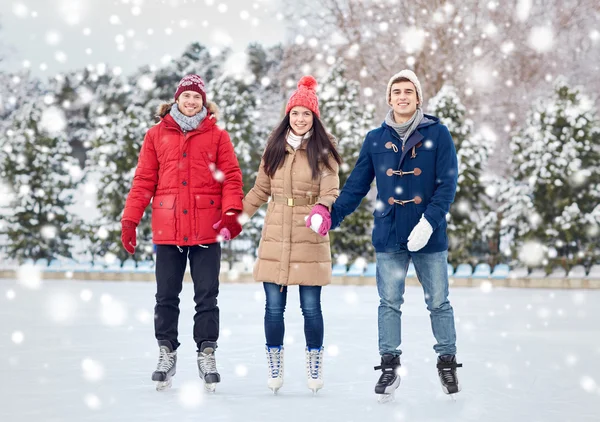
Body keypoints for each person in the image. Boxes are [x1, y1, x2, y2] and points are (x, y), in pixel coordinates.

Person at [322, 69, 462, 400]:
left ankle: (447, 362)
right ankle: (389, 365)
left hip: (430, 235)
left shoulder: (438, 134)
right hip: (389, 233)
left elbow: (447, 183)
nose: (402, 96)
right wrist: (333, 215)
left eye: (408, 92)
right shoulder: (375, 139)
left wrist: (429, 222)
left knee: (439, 302)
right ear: (389, 98)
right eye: (396, 92)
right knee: (389, 303)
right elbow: (357, 184)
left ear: (418, 98)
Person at [121, 74, 244, 392]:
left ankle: (207, 352)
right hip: (168, 227)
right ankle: (166, 351)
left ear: (204, 103)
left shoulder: (217, 136)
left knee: (207, 296)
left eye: (197, 98)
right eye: (186, 97)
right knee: (165, 296)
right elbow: (144, 180)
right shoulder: (155, 135)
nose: (191, 102)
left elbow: (231, 176)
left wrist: (231, 213)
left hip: (207, 228)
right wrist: (130, 220)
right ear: (176, 100)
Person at [241, 76, 341, 394]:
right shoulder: (274, 148)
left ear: (314, 118)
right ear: (288, 115)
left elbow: (331, 188)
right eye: (295, 113)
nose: (300, 119)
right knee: (273, 307)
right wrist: (237, 218)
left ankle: (314, 362)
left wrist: (322, 209)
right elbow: (260, 190)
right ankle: (275, 362)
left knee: (311, 307)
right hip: (276, 234)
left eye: (306, 114)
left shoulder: (323, 151)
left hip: (309, 232)